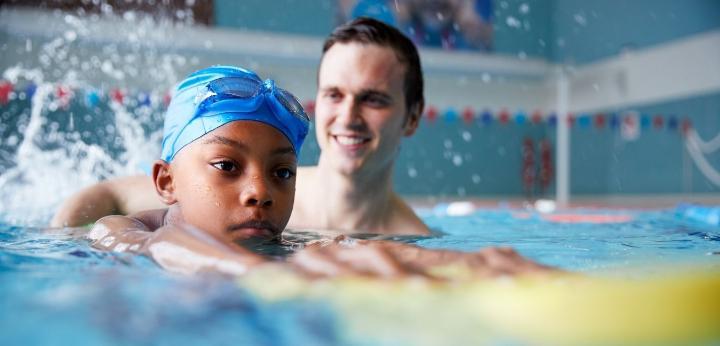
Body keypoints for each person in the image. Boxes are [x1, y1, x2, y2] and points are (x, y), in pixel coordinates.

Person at [89, 65, 552, 279]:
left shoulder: (278, 242)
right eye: (227, 166)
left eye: (282, 173)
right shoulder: (122, 228)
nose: (259, 192)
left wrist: (468, 263)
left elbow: (343, 250)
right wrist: (267, 276)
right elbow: (161, 246)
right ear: (166, 182)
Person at [51, 17, 431, 236]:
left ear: (413, 117)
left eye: (373, 99)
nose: (348, 117)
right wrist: (63, 251)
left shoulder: (410, 240)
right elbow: (107, 194)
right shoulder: (225, 184)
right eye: (334, 95)